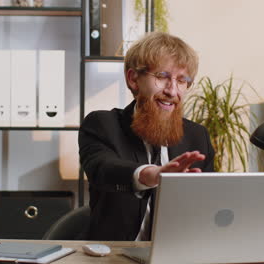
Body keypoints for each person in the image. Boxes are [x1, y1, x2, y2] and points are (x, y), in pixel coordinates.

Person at [78, 32, 215, 241]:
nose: (172, 90)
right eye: (162, 77)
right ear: (133, 79)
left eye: (182, 80)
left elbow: (207, 207)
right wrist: (150, 174)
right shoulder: (102, 124)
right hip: (114, 257)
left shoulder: (197, 136)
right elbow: (103, 168)